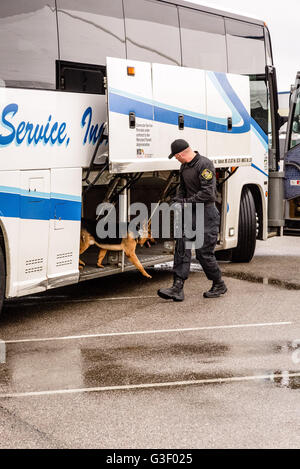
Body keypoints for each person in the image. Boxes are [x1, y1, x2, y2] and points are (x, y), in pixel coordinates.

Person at [157, 139, 227, 301]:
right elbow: (183, 189)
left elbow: (208, 193)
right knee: (182, 248)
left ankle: (218, 283)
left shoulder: (204, 165)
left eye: (175, 156)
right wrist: (177, 200)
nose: (176, 159)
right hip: (189, 213)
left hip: (206, 213)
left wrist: (185, 202)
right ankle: (177, 288)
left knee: (204, 254)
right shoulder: (184, 167)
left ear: (181, 154)